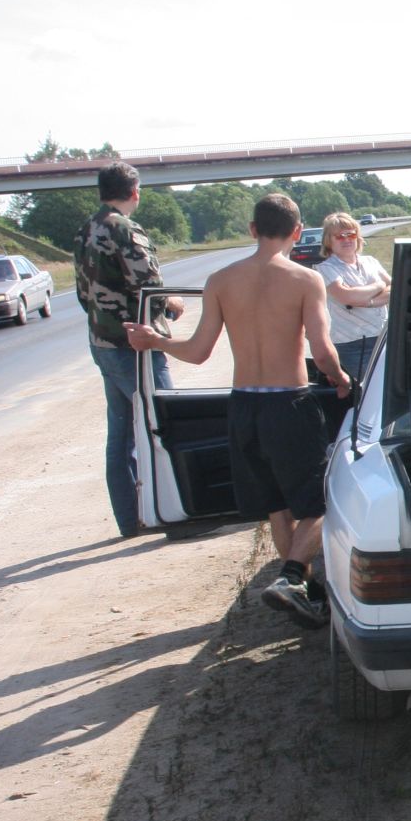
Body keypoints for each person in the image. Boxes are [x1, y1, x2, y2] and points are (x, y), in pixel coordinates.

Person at [125, 194, 352, 628]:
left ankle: (301, 589)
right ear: (297, 232)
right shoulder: (306, 280)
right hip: (289, 401)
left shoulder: (220, 279)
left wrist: (155, 341)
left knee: (277, 505)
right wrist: (342, 382)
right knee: (322, 499)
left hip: (244, 404)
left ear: (252, 230)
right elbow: (322, 352)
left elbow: (196, 351)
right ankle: (290, 578)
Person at [74, 161, 181, 539]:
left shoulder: (86, 228)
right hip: (135, 345)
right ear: (135, 191)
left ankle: (131, 519)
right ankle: (177, 512)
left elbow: (83, 295)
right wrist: (172, 305)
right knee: (165, 424)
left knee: (120, 437)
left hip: (101, 343)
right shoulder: (125, 229)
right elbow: (148, 285)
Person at [314, 211, 391, 382]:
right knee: (374, 386)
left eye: (351, 234)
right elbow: (346, 296)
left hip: (383, 337)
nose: (347, 239)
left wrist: (369, 301)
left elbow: (396, 288)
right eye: (339, 236)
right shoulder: (326, 268)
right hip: (353, 344)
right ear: (329, 240)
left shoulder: (371, 261)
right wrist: (379, 285)